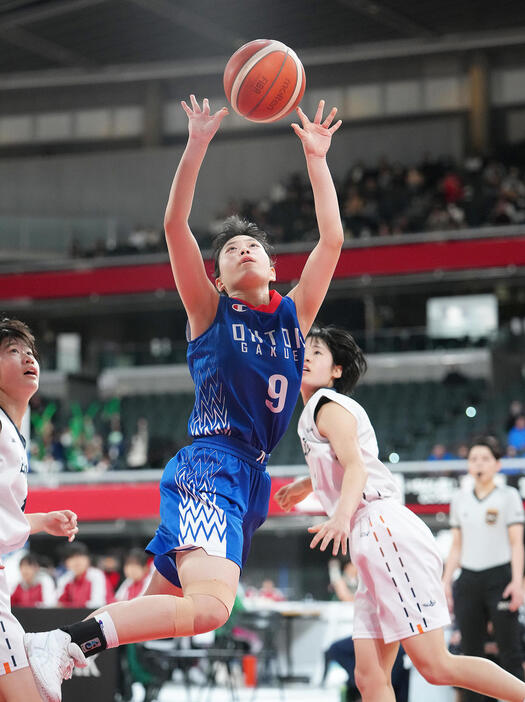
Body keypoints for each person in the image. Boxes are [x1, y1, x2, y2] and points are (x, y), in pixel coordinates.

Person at [24, 94, 344, 701]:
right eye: (230, 250)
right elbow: (175, 226)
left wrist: (317, 158)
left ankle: (49, 670)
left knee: (159, 608)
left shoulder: (293, 316)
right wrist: (197, 142)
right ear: (218, 278)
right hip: (210, 464)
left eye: (253, 246)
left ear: (274, 268)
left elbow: (331, 240)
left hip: (248, 477)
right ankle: (63, 643)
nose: (243, 249)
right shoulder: (209, 312)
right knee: (211, 608)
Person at [274, 325, 525, 702]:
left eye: (318, 353)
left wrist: (340, 517)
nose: (306, 357)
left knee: (436, 665)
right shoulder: (316, 413)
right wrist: (304, 485)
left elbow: (357, 469)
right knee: (369, 676)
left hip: (381, 530)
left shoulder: (326, 406)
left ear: (336, 371)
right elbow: (346, 461)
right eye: (303, 351)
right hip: (372, 536)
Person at [0, 317, 81, 702]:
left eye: (29, 351)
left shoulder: (13, 433)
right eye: (12, 351)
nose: (26, 357)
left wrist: (40, 521)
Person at [442, 436, 525, 702]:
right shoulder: (460, 499)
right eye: (474, 459)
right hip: (468, 581)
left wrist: (517, 582)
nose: (479, 463)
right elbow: (456, 546)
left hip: (500, 578)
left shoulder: (509, 496)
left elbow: (517, 543)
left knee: (510, 650)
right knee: (470, 654)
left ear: (497, 464)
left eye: (485, 459)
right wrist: (445, 582)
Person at [57, 542, 114, 608]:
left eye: (80, 557)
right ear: (65, 563)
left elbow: (97, 604)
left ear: (88, 559)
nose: (77, 561)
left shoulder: (97, 575)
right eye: (72, 558)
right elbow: (58, 604)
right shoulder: (65, 579)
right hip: (76, 615)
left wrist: (71, 606)